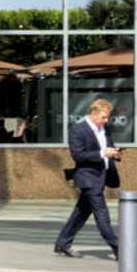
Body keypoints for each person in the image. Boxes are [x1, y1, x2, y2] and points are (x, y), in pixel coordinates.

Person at [51, 96, 120, 259]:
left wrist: (114, 153)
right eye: (104, 117)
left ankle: (62, 243)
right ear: (94, 114)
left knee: (81, 212)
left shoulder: (105, 129)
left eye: (107, 117)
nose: (106, 120)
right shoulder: (78, 130)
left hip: (101, 176)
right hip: (88, 178)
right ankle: (118, 247)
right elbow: (78, 155)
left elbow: (107, 147)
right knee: (101, 212)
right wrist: (102, 153)